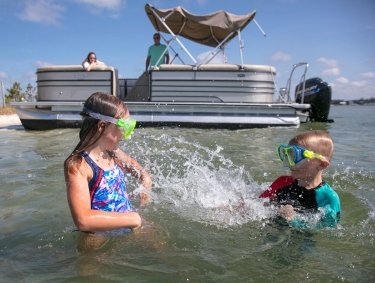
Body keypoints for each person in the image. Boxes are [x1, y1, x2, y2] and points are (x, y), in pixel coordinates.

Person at [64, 92, 152, 234]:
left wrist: (145, 180)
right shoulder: (79, 165)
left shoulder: (113, 152)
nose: (125, 134)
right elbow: (83, 220)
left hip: (130, 224)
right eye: (124, 126)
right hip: (99, 236)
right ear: (102, 125)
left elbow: (136, 168)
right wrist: (133, 219)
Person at [259, 130, 341, 228]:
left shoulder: (328, 198)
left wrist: (293, 220)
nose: (290, 162)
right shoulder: (282, 182)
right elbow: (259, 204)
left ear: (322, 164)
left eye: (295, 156)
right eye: (288, 154)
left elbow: (327, 229)